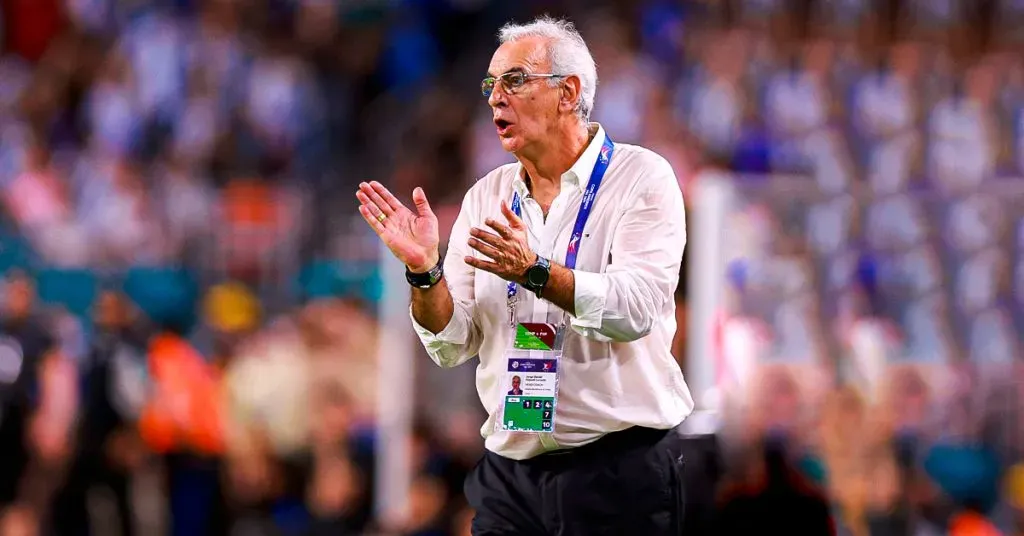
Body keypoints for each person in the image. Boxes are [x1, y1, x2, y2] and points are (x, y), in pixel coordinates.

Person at [357, 16, 692, 535]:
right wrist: (424, 272)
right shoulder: (485, 197)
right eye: (490, 85)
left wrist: (534, 271)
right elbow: (452, 342)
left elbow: (635, 310)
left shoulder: (641, 178)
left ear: (569, 92)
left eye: (514, 81)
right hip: (511, 474)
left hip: (618, 468)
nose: (494, 98)